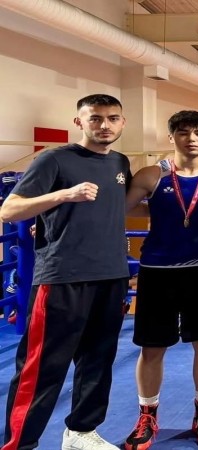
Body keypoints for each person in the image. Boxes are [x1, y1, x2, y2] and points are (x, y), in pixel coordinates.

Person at [0, 94, 131, 450]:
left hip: (111, 276)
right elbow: (9, 210)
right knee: (42, 366)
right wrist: (62, 196)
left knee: (98, 362)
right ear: (79, 122)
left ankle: (80, 433)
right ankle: (18, 444)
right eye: (95, 118)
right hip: (62, 277)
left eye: (112, 118)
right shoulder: (54, 159)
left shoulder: (120, 162)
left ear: (122, 122)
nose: (104, 125)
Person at [122, 110, 198, 450]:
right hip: (158, 271)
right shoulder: (151, 174)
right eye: (183, 132)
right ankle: (147, 416)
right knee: (152, 347)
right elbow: (116, 210)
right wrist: (54, 224)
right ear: (171, 137)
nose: (191, 138)